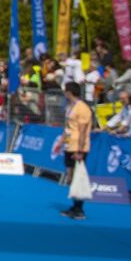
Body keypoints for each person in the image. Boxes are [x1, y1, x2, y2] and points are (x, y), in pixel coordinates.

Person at [57, 82, 93, 220]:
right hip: (69, 144)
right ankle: (74, 205)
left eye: (65, 91)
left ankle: (79, 209)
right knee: (70, 177)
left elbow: (83, 131)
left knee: (78, 177)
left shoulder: (83, 108)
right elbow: (68, 126)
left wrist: (80, 151)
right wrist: (61, 141)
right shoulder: (71, 106)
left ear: (69, 92)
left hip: (78, 146)